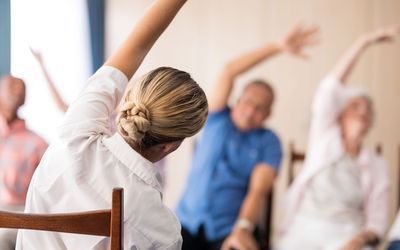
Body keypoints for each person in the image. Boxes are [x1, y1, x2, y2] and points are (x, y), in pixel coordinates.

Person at [16, 0, 208, 249]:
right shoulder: (162, 229)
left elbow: (137, 44)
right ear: (170, 146)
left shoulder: (74, 134)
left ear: (129, 99)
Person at [176, 25, 318, 250]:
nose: (251, 111)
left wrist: (242, 228)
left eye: (260, 108)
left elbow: (257, 191)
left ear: (268, 114)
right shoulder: (216, 118)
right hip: (184, 224)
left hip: (228, 232)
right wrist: (278, 47)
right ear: (238, 100)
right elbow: (229, 70)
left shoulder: (269, 142)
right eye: (248, 102)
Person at [276, 24, 400, 250]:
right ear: (339, 116)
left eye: (367, 109)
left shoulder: (377, 164)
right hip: (305, 230)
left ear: (371, 122)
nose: (362, 111)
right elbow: (329, 88)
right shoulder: (323, 138)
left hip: (349, 234)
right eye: (355, 106)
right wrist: (365, 41)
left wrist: (357, 241)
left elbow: (377, 223)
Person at [0, 75, 48, 250]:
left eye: (21, 87)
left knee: (3, 240)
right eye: (11, 85)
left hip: (19, 213)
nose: (17, 90)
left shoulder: (38, 144)